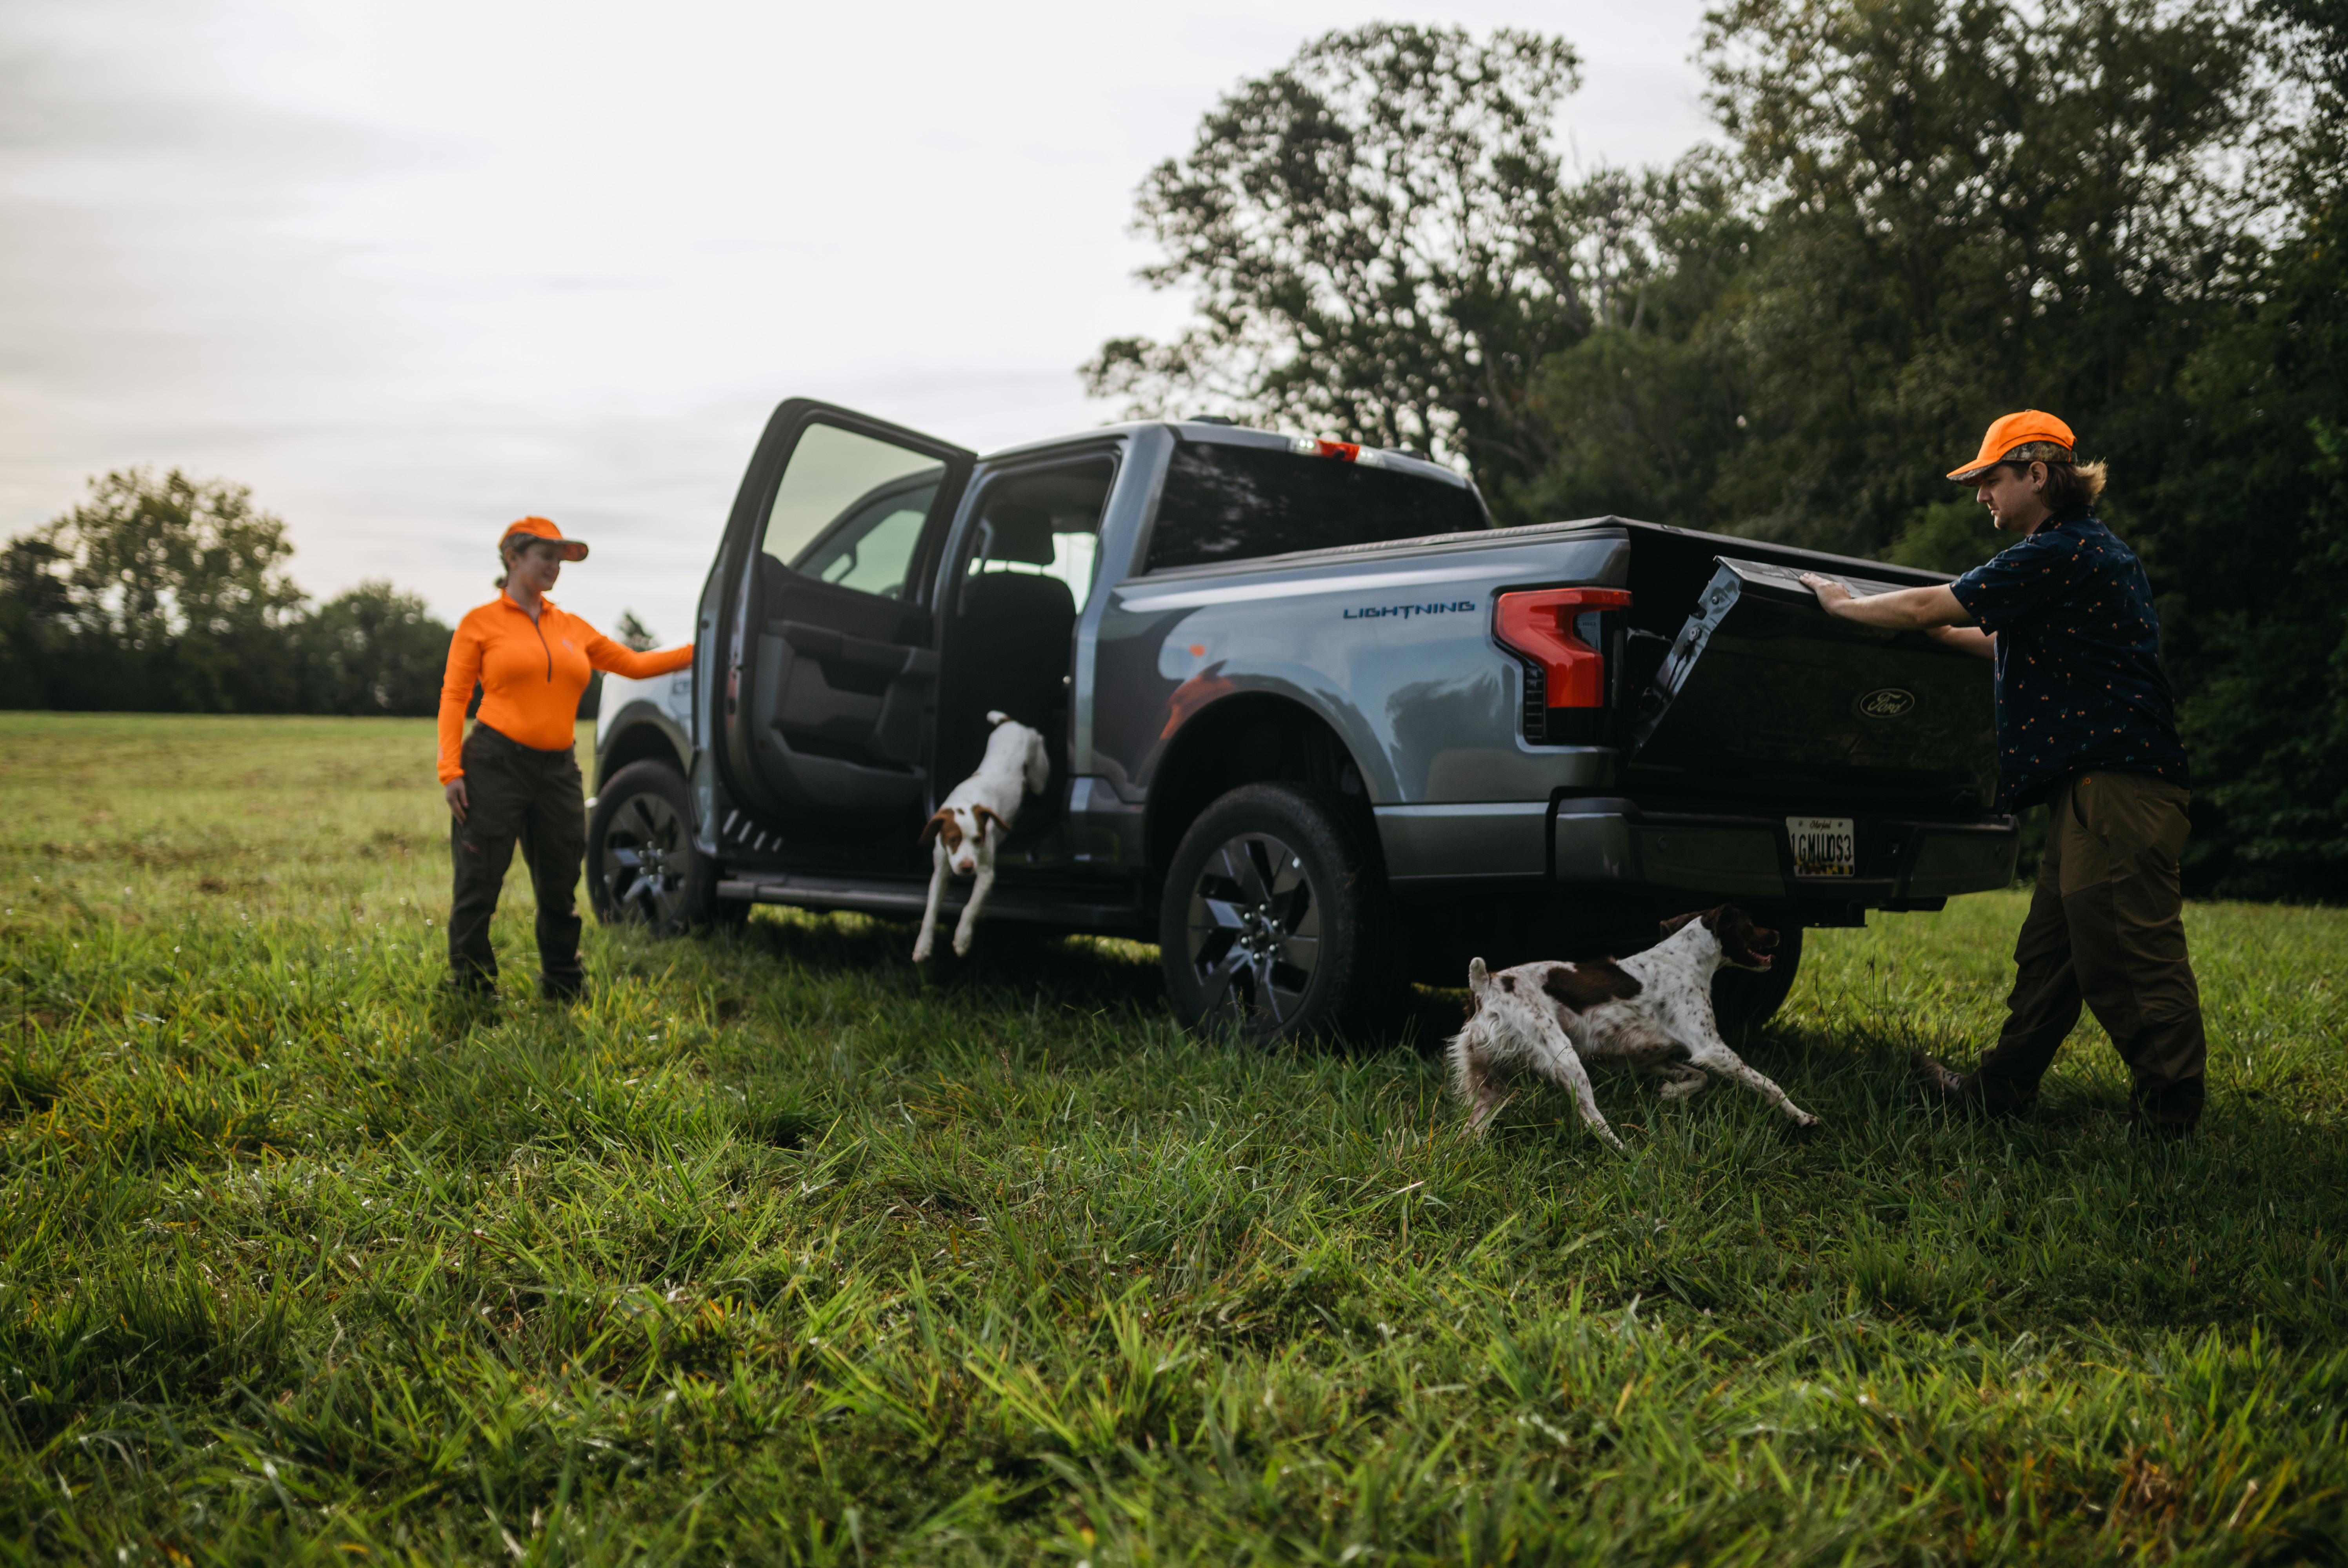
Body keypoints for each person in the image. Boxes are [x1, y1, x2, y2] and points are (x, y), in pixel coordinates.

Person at [1797, 411, 2205, 1134]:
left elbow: (1932, 600)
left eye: (1989, 478)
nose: (1980, 493)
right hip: (2092, 791)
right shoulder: (2085, 554)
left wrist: (1844, 604)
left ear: (2036, 474)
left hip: (2116, 789)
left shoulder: (2056, 551)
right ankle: (1997, 1091)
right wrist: (1933, 633)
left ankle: (2170, 1116)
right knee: (2049, 954)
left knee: (2127, 952)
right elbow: (2003, 643)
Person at [437, 517, 694, 1001]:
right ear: (513, 558)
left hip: (557, 769)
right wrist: (451, 770)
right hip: (495, 762)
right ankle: (470, 987)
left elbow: (634, 664)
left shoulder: (570, 626)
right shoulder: (480, 623)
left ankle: (563, 980)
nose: (556, 566)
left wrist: (701, 649)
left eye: (561, 559)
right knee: (480, 877)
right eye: (546, 556)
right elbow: (454, 697)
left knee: (560, 880)